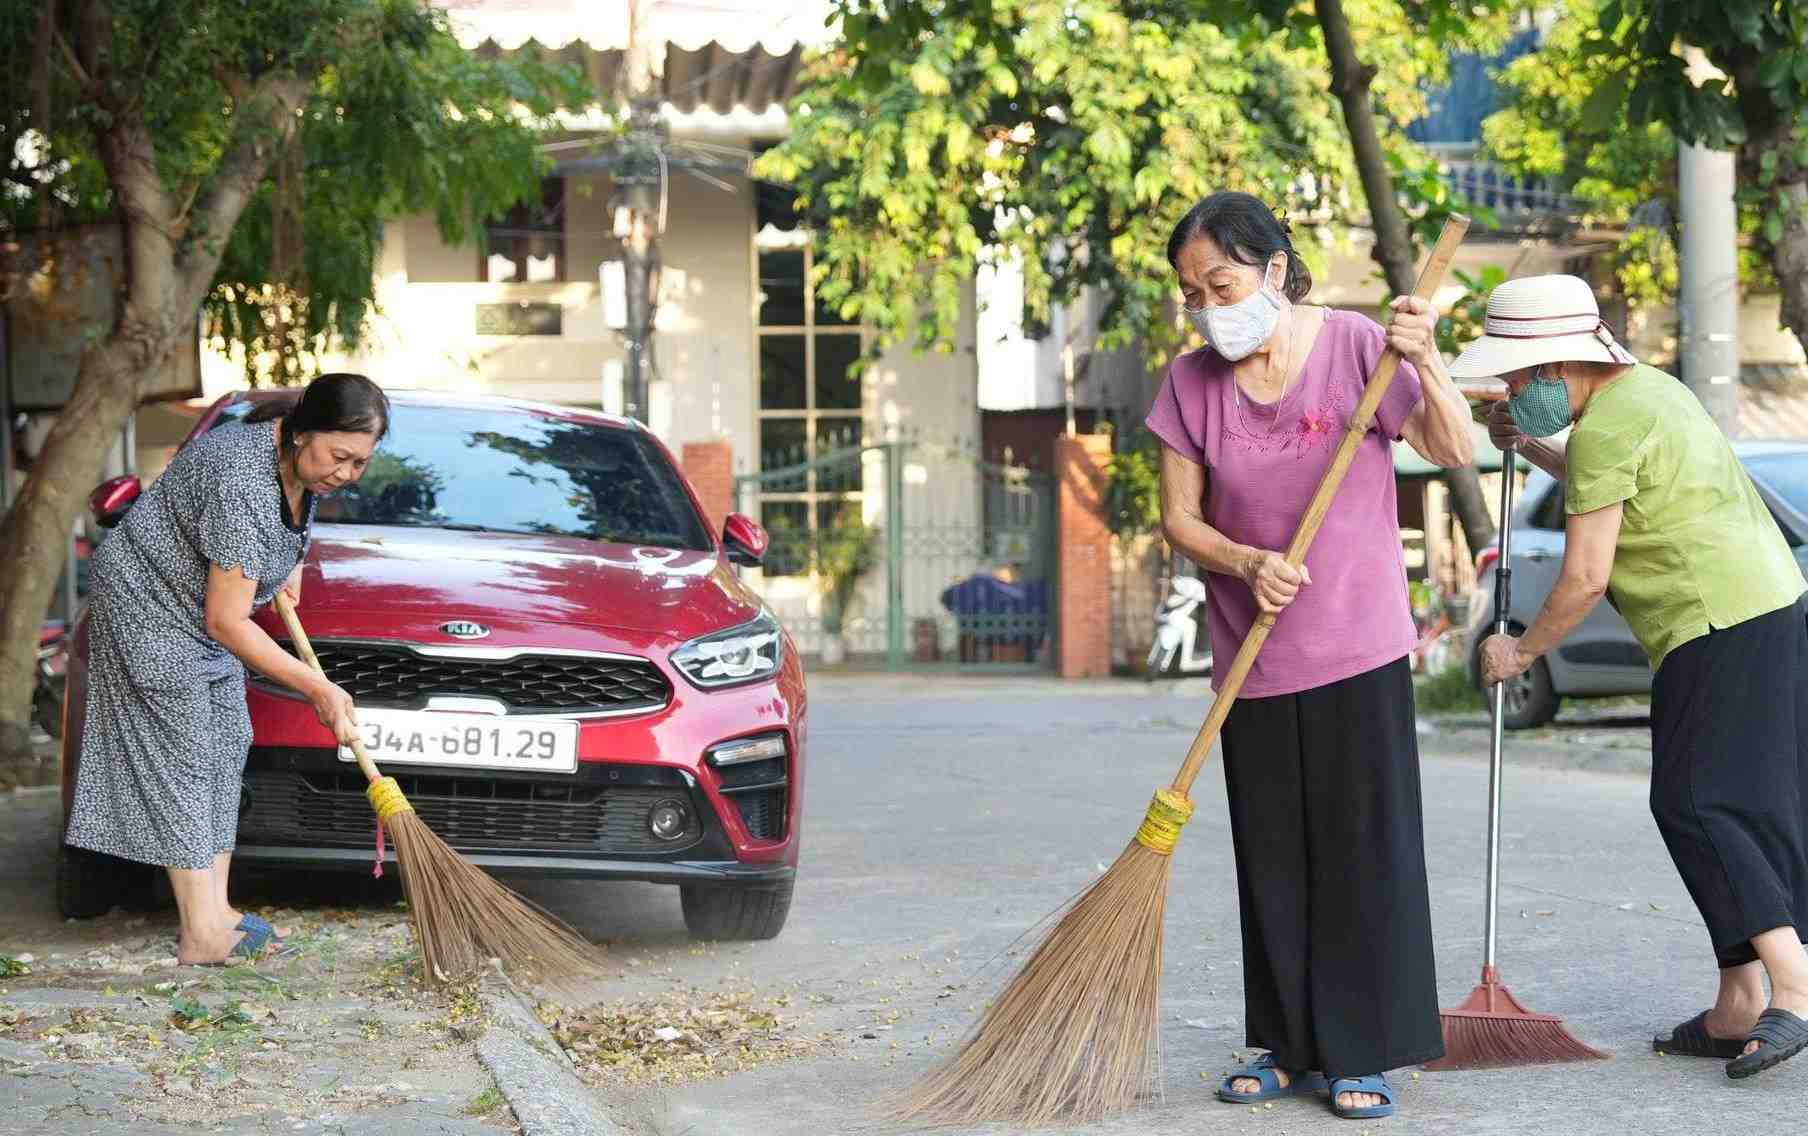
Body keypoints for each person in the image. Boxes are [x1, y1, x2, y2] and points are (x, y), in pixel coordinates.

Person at [1144, 191, 1475, 1120]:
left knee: (1360, 849)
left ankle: (1359, 1047)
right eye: (1192, 292)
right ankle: (1285, 1043)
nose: (1208, 306)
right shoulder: (1190, 382)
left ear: (1275, 270)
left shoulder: (1356, 347)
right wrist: (1247, 560)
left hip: (1359, 643)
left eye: (1222, 282)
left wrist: (1426, 356)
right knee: (1275, 852)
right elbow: (1178, 520)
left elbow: (1450, 445)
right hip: (1253, 651)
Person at [1469, 274, 1808, 1079]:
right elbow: (1606, 480)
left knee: (1698, 802)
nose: (1514, 390)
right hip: (1760, 609)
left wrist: (1516, 651)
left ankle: (1791, 982)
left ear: (1556, 364)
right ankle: (1737, 999)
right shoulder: (1646, 393)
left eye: (1519, 378)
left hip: (1713, 618)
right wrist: (1532, 443)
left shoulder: (1609, 427)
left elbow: (1585, 578)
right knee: (1738, 801)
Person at [64, 373, 387, 965]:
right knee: (183, 749)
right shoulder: (240, 473)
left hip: (197, 604)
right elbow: (227, 622)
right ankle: (200, 931)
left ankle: (218, 908)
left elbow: (286, 525)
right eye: (340, 456)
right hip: (148, 600)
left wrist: (288, 563)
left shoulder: (300, 469)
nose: (347, 473)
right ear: (301, 433)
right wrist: (316, 685)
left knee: (228, 737)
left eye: (361, 463)